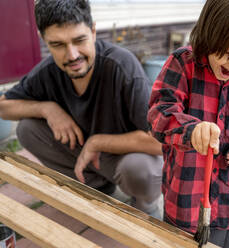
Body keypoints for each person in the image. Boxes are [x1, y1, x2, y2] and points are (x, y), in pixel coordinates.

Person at [0, 0, 163, 218]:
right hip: (86, 157)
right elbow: (3, 107)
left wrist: (98, 142)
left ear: (93, 31)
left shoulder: (123, 67)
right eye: (57, 45)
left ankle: (147, 205)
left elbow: (159, 142)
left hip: (125, 157)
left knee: (141, 170)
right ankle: (95, 188)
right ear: (43, 40)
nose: (72, 55)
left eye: (79, 40)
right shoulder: (47, 72)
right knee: (27, 129)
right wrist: (47, 109)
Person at [147, 0, 229, 247]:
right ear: (211, 30)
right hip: (184, 200)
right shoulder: (184, 63)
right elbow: (159, 112)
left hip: (226, 203)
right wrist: (191, 130)